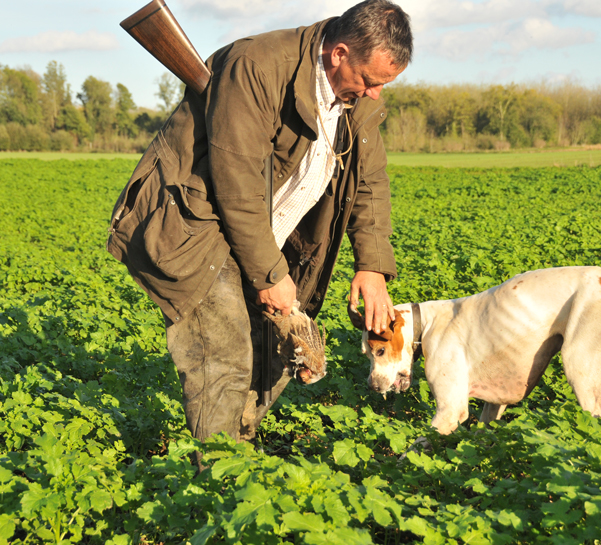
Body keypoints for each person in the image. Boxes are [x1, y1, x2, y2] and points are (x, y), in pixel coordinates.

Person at [107, 0, 413, 460]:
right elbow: (237, 183)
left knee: (279, 354)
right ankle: (214, 479)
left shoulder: (356, 99)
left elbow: (369, 181)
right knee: (225, 355)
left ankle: (237, 446)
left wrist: (371, 267)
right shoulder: (257, 66)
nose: (375, 94)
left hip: (272, 231)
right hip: (199, 223)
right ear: (339, 54)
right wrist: (270, 275)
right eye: (371, 81)